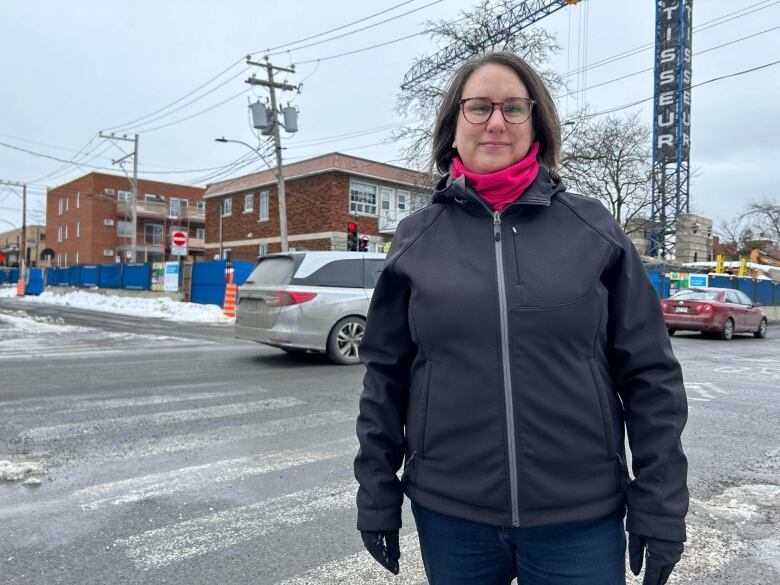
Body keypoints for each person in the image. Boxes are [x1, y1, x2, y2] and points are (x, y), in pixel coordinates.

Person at [354, 51, 688, 585]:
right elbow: (385, 377)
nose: (495, 122)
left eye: (513, 108)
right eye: (479, 107)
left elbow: (650, 374)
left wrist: (661, 502)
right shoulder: (417, 238)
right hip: (451, 516)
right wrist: (376, 493)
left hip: (580, 518)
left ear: (536, 125)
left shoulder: (592, 230)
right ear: (453, 125)